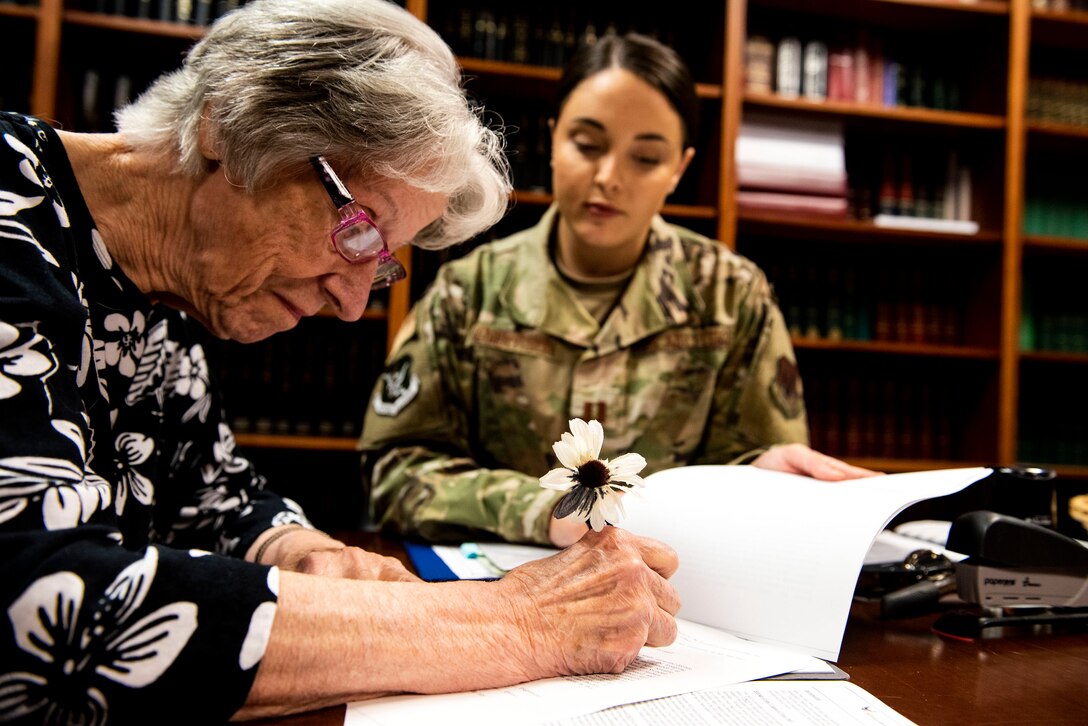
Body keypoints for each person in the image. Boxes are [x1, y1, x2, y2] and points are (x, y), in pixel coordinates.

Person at [0, 2, 684, 722]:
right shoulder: (13, 216)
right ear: (229, 126)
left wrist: (298, 549)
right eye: (360, 231)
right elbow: (41, 611)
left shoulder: (158, 296)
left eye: (382, 263)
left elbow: (218, 502)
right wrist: (517, 622)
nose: (355, 303)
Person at [360, 32, 878, 548]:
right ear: (553, 137)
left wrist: (763, 475)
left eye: (646, 158)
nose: (609, 176)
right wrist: (543, 512)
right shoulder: (468, 294)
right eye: (587, 145)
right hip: (498, 592)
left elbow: (750, 470)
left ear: (679, 169)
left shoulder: (731, 296)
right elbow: (396, 471)